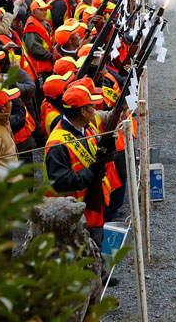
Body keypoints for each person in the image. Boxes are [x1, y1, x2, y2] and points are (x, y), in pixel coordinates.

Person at [44, 78, 122, 252]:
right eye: (91, 106)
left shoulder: (87, 128)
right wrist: (91, 173)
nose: (95, 109)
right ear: (82, 112)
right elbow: (59, 182)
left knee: (95, 248)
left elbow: (100, 157)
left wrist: (109, 149)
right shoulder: (57, 144)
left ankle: (100, 276)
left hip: (91, 207)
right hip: (73, 214)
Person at [23, 0, 55, 83]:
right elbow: (35, 50)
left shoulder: (42, 22)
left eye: (46, 9)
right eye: (41, 10)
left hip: (44, 66)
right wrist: (52, 55)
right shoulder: (32, 27)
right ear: (33, 12)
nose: (45, 12)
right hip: (38, 68)